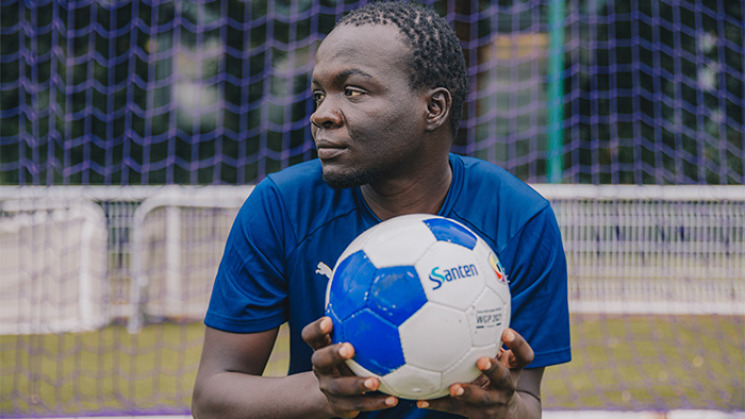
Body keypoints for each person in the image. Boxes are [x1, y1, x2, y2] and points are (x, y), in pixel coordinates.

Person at [191, 2, 570, 418]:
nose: (321, 115)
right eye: (319, 94)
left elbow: (526, 405)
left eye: (352, 91)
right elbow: (212, 398)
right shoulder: (281, 206)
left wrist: (502, 408)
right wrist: (325, 395)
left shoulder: (520, 219)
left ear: (434, 108)